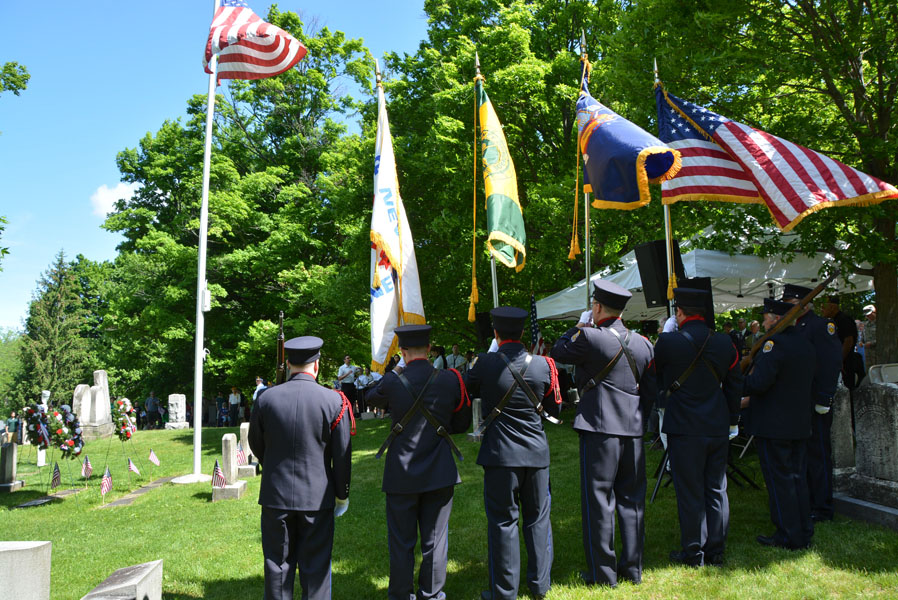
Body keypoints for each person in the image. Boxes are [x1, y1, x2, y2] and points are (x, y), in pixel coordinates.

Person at [550, 280, 656, 588]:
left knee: (599, 501)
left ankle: (603, 573)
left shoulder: (589, 337)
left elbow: (558, 351)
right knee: (632, 501)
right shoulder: (643, 343)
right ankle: (633, 569)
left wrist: (576, 327)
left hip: (599, 428)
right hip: (633, 429)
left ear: (596, 307)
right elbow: (650, 392)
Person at [366, 325, 472, 600]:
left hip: (401, 472)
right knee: (435, 540)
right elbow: (462, 422)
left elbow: (370, 396)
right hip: (439, 469)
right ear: (429, 348)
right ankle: (431, 594)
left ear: (402, 352)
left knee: (401, 541)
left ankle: (401, 594)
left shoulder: (393, 381)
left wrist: (396, 371)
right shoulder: (450, 379)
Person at [465, 307, 562, 600]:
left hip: (501, 455)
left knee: (503, 523)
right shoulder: (545, 365)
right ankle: (540, 586)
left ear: (496, 334)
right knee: (538, 520)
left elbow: (468, 390)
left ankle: (505, 592)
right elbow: (555, 409)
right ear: (522, 333)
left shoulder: (484, 363)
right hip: (535, 453)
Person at [249, 336, 353, 600]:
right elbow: (341, 454)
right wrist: (342, 494)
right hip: (317, 497)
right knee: (316, 569)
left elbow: (256, 444)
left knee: (277, 569)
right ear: (316, 365)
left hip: (276, 496)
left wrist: (273, 466)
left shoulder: (266, 399)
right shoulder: (334, 401)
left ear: (288, 364)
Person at [654, 289, 743, 567]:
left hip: (684, 427)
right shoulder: (725, 342)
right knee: (716, 488)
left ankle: (694, 551)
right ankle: (715, 550)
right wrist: (733, 419)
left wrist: (665, 336)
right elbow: (734, 383)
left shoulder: (668, 342)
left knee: (689, 491)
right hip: (717, 423)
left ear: (679, 313)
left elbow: (658, 376)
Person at [743, 298, 816, 549]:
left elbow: (759, 383)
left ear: (776, 320)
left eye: (766, 319)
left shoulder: (773, 345)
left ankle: (788, 534)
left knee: (779, 481)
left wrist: (738, 383)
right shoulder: (805, 343)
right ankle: (803, 529)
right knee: (797, 478)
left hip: (774, 425)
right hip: (799, 423)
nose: (764, 323)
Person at [781, 284, 842, 524]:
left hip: (815, 400)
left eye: (791, 304)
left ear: (804, 304)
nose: (787, 309)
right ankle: (806, 500)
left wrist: (824, 397)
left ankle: (823, 506)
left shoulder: (820, 326)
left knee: (818, 454)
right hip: (797, 402)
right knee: (802, 455)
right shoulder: (792, 327)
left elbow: (830, 362)